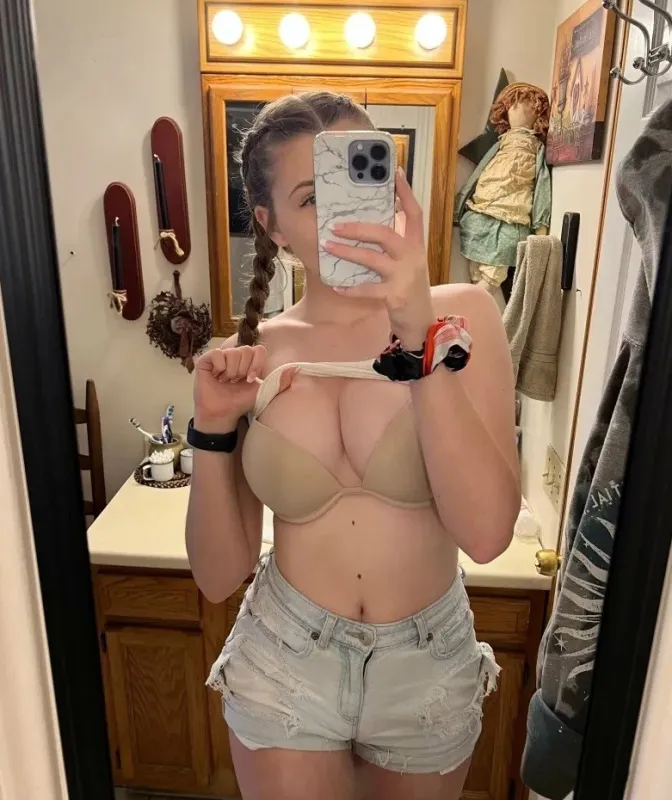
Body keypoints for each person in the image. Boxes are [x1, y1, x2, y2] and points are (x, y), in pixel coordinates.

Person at [186, 92, 520, 800]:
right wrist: (210, 430)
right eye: (312, 198)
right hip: (285, 655)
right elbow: (218, 577)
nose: (346, 215)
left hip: (427, 662)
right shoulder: (255, 352)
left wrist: (418, 337)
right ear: (271, 226)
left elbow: (487, 535)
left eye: (360, 181)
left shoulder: (466, 318)